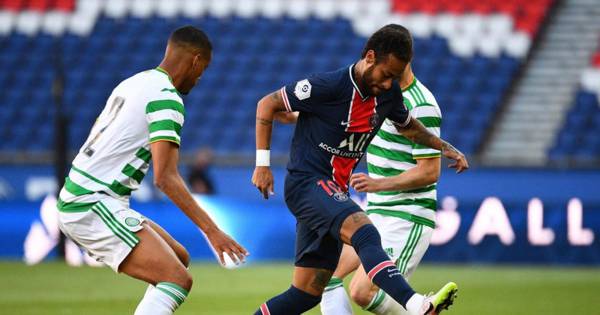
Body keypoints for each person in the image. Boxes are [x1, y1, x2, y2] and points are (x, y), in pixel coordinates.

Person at [252, 24, 467, 315]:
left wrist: (445, 147)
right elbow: (267, 104)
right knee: (365, 233)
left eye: (395, 77)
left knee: (305, 294)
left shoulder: (388, 96)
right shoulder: (327, 86)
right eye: (386, 74)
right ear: (369, 57)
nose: (389, 83)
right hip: (307, 184)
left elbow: (410, 128)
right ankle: (419, 306)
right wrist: (262, 165)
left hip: (332, 193)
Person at [55, 26, 248, 315]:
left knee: (179, 258)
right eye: (202, 70)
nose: (199, 78)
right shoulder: (166, 98)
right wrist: (213, 232)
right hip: (91, 201)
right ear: (195, 60)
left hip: (90, 194)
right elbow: (165, 178)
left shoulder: (134, 82)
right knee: (177, 280)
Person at [319, 60, 443, 315]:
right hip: (375, 213)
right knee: (323, 277)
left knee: (362, 292)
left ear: (403, 60)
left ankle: (422, 310)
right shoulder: (380, 94)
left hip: (406, 215)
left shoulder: (422, 104)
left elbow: (430, 171)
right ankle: (422, 309)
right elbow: (344, 115)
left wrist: (379, 184)